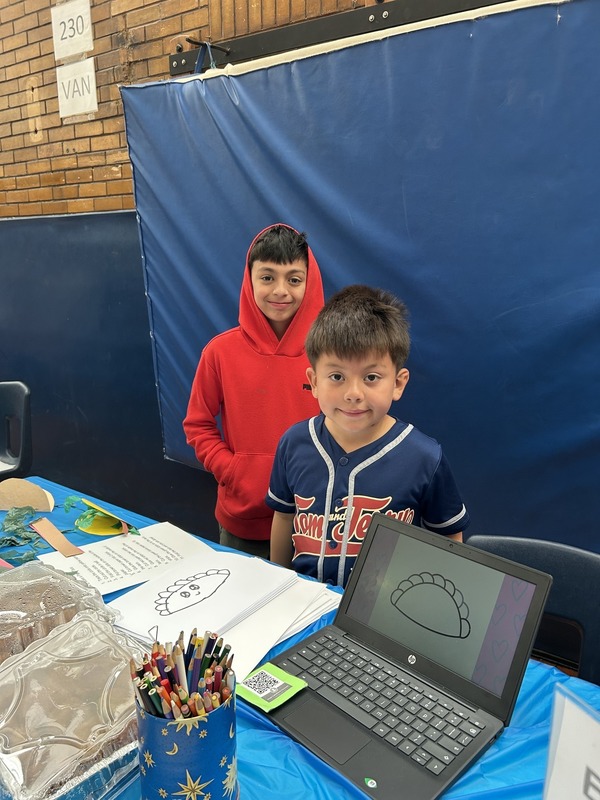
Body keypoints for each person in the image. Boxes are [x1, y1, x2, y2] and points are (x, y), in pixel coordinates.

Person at [267, 284, 469, 587]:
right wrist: (277, 585)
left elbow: (450, 539)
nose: (353, 394)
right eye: (337, 376)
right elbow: (284, 517)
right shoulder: (295, 442)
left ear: (398, 384)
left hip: (382, 617)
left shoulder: (425, 458)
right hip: (300, 605)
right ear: (314, 381)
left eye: (371, 377)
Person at [183, 223, 324, 558]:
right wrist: (233, 471)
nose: (280, 290)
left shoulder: (328, 355)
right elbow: (197, 424)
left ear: (310, 281)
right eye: (267, 277)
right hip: (242, 522)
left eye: (294, 279)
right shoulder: (219, 352)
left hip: (315, 524)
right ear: (250, 280)